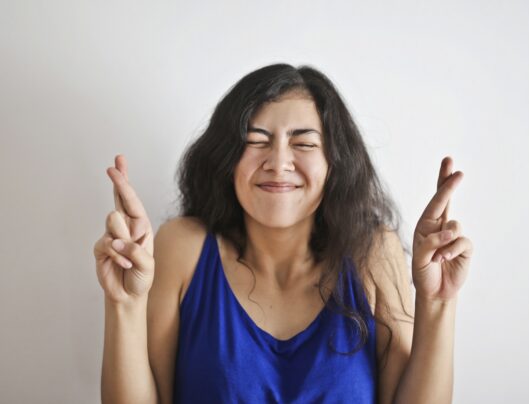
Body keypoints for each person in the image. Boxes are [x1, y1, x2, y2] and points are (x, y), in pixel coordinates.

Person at [93, 63, 473, 404]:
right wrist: (124, 304)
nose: (278, 163)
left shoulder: (373, 252)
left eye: (303, 143)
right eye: (256, 141)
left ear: (334, 162)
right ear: (227, 157)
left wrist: (437, 302)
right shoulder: (183, 247)